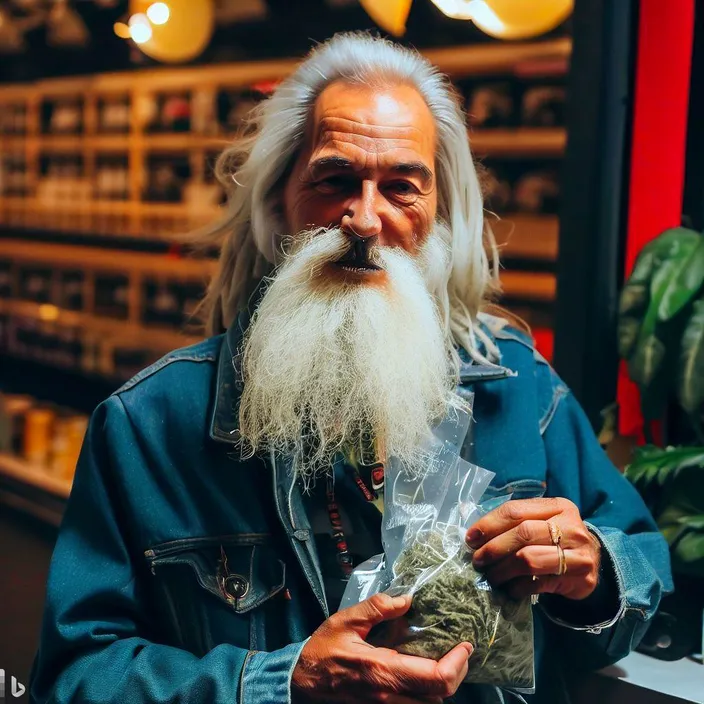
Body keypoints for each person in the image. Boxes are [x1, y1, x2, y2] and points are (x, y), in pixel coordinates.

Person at [30, 33, 672, 704]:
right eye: (335, 180)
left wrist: (590, 571)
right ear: (277, 202)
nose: (366, 219)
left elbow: (640, 567)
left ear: (437, 217)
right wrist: (284, 683)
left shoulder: (517, 387)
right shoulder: (151, 423)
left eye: (401, 187)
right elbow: (73, 676)